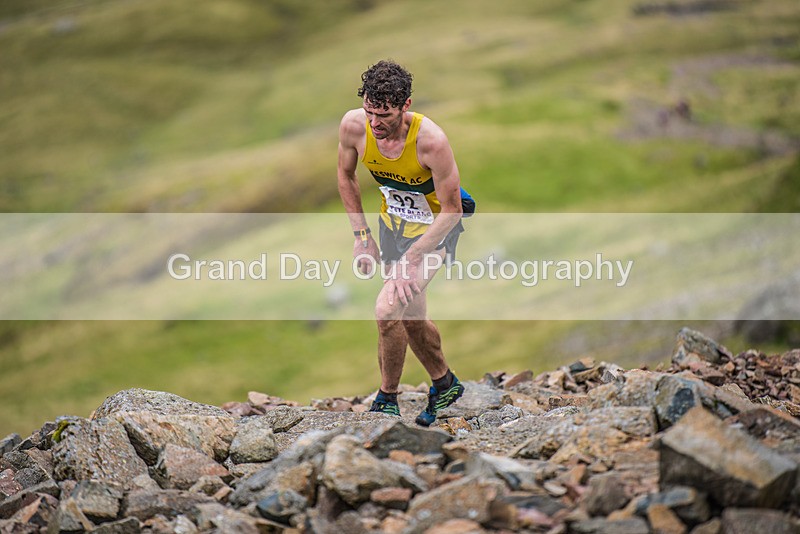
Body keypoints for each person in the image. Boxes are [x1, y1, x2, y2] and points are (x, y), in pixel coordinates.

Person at [337, 60, 466, 426]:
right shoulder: (353, 126)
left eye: (384, 115)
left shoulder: (431, 142)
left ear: (405, 105)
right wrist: (362, 237)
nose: (374, 123)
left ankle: (386, 399)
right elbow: (345, 175)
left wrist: (413, 257)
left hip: (434, 233)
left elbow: (452, 210)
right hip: (392, 228)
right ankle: (445, 383)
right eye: (369, 112)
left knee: (387, 309)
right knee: (412, 317)